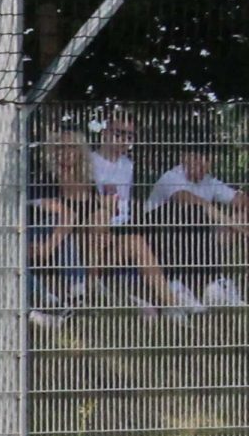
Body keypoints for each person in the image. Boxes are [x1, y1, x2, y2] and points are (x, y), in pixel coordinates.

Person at [33, 129, 199, 321]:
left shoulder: (89, 183)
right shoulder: (46, 181)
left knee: (134, 241)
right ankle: (92, 289)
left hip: (97, 247)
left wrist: (106, 217)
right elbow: (52, 217)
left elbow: (99, 214)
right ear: (52, 151)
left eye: (72, 147)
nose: (66, 152)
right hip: (68, 249)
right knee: (96, 221)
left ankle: (171, 305)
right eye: (60, 148)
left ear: (80, 151)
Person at [139, 149, 249, 308]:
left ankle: (216, 287)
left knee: (242, 216)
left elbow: (240, 200)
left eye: (205, 160)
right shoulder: (171, 177)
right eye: (196, 159)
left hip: (196, 241)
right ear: (184, 158)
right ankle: (200, 285)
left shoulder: (210, 181)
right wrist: (239, 227)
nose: (201, 165)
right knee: (195, 212)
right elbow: (196, 203)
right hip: (160, 238)